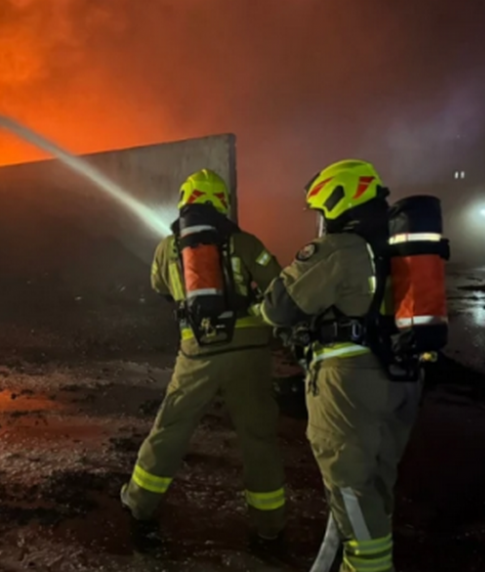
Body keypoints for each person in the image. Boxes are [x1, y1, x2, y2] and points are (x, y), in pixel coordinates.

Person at [258, 160, 422, 572]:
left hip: (350, 384)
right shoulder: (400, 246)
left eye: (321, 211)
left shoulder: (340, 248)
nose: (320, 221)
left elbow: (279, 307)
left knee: (350, 484)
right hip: (402, 375)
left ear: (338, 201)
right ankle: (372, 556)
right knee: (377, 480)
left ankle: (366, 565)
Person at [120, 168, 287, 540]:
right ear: (223, 202)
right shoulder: (245, 242)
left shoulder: (168, 247)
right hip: (249, 353)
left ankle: (140, 503)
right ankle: (269, 526)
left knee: (171, 428)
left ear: (185, 200)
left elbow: (159, 287)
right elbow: (279, 287)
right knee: (258, 437)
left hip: (197, 352)